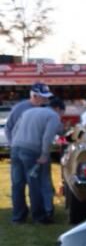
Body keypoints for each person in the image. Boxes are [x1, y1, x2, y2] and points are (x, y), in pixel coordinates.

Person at [7, 83, 61, 224]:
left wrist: (15, 146)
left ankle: (18, 218)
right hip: (31, 151)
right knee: (34, 184)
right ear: (58, 109)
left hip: (16, 149)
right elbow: (48, 137)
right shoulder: (52, 116)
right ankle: (39, 217)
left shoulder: (27, 112)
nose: (46, 100)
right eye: (44, 97)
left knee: (17, 185)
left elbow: (14, 130)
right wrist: (44, 154)